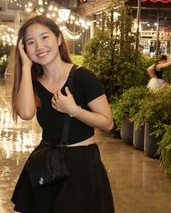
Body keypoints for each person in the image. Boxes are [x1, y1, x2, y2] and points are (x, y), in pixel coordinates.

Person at [11, 15, 115, 213]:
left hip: (82, 165)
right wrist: (26, 66)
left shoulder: (84, 77)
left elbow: (107, 122)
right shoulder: (32, 82)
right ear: (24, 49)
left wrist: (74, 110)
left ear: (58, 39)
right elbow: (25, 113)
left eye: (44, 37)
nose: (39, 46)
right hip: (48, 163)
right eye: (31, 42)